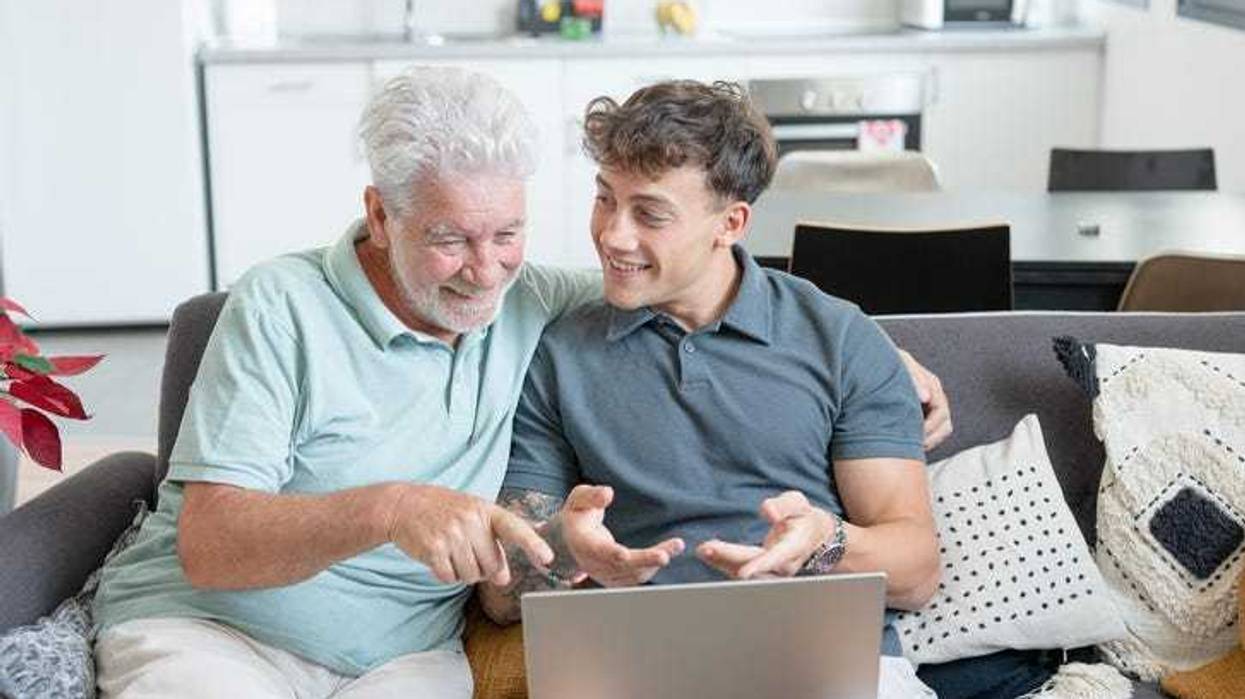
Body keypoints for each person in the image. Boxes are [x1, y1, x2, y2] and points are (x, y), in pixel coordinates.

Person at [92, 68, 949, 698]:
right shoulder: (299, 305)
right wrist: (523, 541)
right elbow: (212, 547)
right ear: (381, 214)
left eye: (507, 232)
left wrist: (878, 352)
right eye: (449, 239)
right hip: (223, 633)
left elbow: (914, 564)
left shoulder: (540, 300)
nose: (483, 271)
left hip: (406, 661)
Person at [480, 80, 942, 698]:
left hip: (821, 661)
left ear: (731, 223)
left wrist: (823, 542)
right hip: (632, 666)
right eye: (604, 199)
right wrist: (567, 550)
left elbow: (917, 571)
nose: (613, 235)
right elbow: (500, 597)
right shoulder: (560, 352)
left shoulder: (839, 338)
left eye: (650, 213)